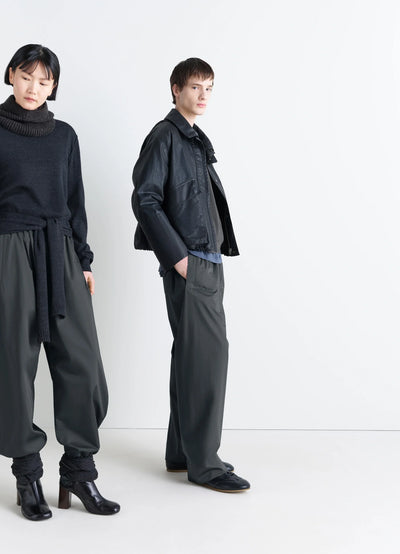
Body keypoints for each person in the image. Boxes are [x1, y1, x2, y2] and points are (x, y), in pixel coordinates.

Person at [0, 44, 120, 520]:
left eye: (44, 81)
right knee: (14, 365)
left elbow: (75, 201)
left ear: (53, 86)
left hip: (61, 250)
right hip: (8, 250)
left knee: (82, 362)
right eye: (26, 76)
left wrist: (83, 259)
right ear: (11, 75)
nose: (34, 88)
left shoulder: (64, 135)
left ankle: (78, 472)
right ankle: (27, 475)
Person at [132, 58, 250, 493]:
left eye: (209, 88)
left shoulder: (194, 139)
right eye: (195, 87)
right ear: (176, 89)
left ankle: (183, 453)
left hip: (206, 261)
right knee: (206, 362)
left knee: (192, 358)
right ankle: (206, 465)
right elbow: (145, 199)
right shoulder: (166, 135)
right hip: (192, 263)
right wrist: (179, 259)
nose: (203, 95)